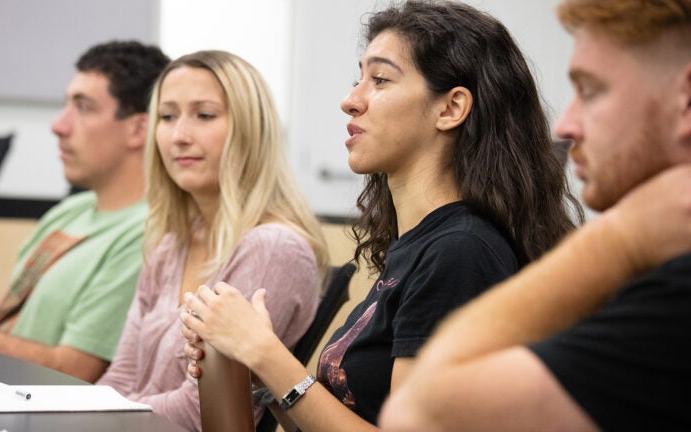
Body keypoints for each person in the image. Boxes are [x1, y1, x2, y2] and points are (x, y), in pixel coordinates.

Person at [180, 1, 583, 430]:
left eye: (381, 80)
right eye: (359, 79)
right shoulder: (417, 246)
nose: (351, 101)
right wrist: (257, 368)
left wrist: (268, 354)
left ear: (450, 109)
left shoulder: (461, 253)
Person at [378, 0, 691, 430]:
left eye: (591, 90)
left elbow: (419, 413)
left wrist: (622, 238)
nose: (565, 126)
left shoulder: (675, 296)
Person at [95, 50, 328, 430]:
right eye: (168, 117)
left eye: (204, 115)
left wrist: (93, 416)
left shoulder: (272, 247)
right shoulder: (170, 243)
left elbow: (199, 411)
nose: (179, 136)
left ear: (250, 130)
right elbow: (120, 379)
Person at [0, 40, 169, 383]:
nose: (59, 125)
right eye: (66, 105)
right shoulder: (70, 211)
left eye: (83, 108)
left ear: (139, 129)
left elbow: (74, 373)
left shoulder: (150, 233)